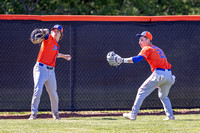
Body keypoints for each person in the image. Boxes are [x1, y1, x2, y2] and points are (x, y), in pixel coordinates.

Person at [122, 31, 175, 120]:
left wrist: (122, 60)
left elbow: (137, 59)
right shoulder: (157, 48)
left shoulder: (147, 48)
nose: (139, 42)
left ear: (148, 40)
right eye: (139, 40)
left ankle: (133, 114)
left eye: (142, 40)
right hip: (169, 75)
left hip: (159, 74)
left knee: (141, 91)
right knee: (163, 96)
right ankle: (170, 116)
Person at [29, 24, 71, 120]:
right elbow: (46, 33)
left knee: (53, 94)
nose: (55, 32)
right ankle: (33, 114)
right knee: (38, 90)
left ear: (60, 35)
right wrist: (45, 30)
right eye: (54, 30)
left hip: (51, 72)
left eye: (57, 31)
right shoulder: (49, 39)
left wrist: (64, 56)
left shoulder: (56, 45)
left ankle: (55, 114)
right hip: (40, 68)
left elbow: (54, 54)